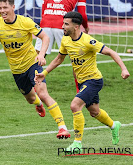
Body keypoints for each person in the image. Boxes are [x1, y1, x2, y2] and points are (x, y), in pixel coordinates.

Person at [35, 11, 130, 152]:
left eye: (66, 24)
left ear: (76, 26)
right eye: (63, 23)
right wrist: (44, 73)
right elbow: (59, 59)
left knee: (75, 105)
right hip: (82, 82)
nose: (63, 27)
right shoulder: (66, 40)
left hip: (94, 81)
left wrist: (123, 69)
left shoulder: (88, 41)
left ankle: (77, 144)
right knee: (94, 111)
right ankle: (114, 125)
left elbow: (111, 52)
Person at [0, 0, 70, 139]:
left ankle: (62, 127)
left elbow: (45, 37)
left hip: (32, 64)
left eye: (5, 7)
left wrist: (41, 55)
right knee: (31, 99)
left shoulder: (25, 22)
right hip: (16, 70)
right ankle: (38, 104)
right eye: (0, 8)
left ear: (13, 7)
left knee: (43, 93)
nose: (2, 11)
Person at [35, 0, 89, 92]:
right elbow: (82, 14)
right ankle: (79, 90)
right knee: (76, 59)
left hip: (46, 23)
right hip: (64, 26)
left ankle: (34, 86)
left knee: (37, 57)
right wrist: (85, 27)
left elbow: (43, 9)